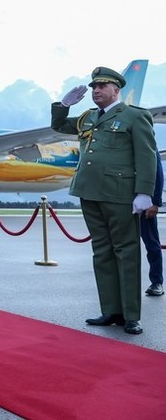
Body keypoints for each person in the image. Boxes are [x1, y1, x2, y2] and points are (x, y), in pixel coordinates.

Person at [51, 66, 157, 335]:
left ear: (115, 90)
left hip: (119, 194)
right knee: (102, 253)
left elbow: (147, 156)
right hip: (89, 192)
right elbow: (58, 126)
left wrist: (145, 193)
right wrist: (63, 106)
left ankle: (131, 316)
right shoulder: (88, 117)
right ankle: (111, 310)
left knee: (126, 252)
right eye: (93, 87)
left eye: (101, 87)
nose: (96, 91)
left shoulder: (135, 116)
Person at [142, 156, 163, 297]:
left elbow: (158, 173)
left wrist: (155, 202)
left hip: (145, 203)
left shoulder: (148, 144)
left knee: (152, 244)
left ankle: (156, 282)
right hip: (121, 201)